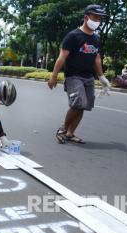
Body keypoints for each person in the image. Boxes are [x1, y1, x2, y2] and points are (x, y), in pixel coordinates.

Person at [47, 4, 111, 144]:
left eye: (100, 18)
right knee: (78, 103)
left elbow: (97, 58)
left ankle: (70, 133)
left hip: (89, 77)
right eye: (95, 17)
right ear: (86, 17)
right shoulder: (73, 36)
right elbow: (62, 57)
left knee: (84, 105)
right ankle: (63, 129)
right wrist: (54, 76)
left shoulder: (96, 38)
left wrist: (101, 77)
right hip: (73, 76)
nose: (98, 20)